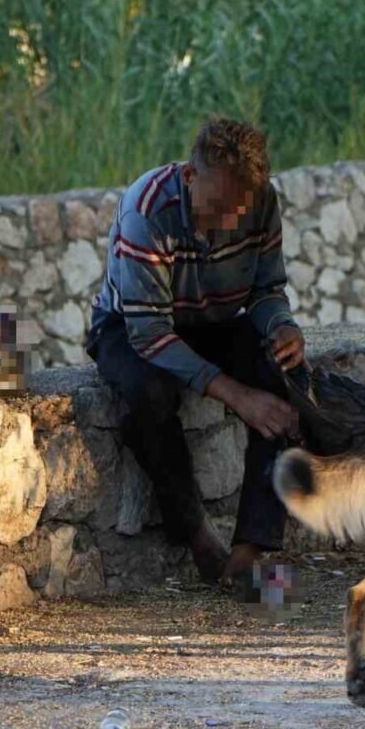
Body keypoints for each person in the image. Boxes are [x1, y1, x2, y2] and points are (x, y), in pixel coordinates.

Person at [85, 118, 304, 584]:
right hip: (131, 326)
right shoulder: (147, 211)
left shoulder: (262, 200)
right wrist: (237, 395)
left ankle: (250, 548)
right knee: (149, 394)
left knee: (285, 374)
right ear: (189, 177)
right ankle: (198, 536)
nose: (229, 224)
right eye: (218, 208)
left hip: (213, 321)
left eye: (240, 213)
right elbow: (150, 334)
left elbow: (266, 291)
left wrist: (281, 325)